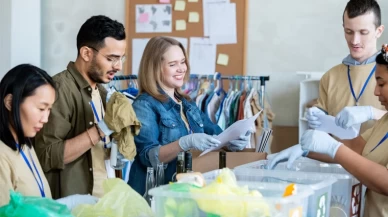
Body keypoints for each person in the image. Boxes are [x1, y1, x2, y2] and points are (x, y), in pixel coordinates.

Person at [127, 36, 253, 195]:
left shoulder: (187, 104)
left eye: (182, 61)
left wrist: (232, 142)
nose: (181, 68)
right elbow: (148, 157)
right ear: (154, 68)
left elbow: (216, 134)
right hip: (153, 195)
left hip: (183, 191)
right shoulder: (144, 105)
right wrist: (185, 142)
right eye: (173, 64)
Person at [268, 0, 385, 169]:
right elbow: (325, 136)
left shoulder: (385, 72)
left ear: (378, 31)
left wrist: (371, 113)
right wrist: (317, 121)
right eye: (349, 31)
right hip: (337, 168)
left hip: (379, 172)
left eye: (363, 32)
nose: (355, 40)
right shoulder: (330, 77)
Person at [34, 15, 128, 199]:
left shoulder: (102, 92)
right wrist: (100, 131)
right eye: (112, 58)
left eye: (122, 58)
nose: (119, 67)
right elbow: (46, 155)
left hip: (104, 201)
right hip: (74, 206)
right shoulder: (60, 90)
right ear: (86, 53)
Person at [294, 45, 388, 217]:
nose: (376, 91)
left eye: (381, 84)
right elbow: (355, 147)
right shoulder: (385, 121)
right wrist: (305, 149)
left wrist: (334, 149)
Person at [0, 64, 97, 209]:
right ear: (9, 102)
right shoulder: (2, 156)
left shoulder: (25, 144)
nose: (45, 119)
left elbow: (34, 203)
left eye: (49, 109)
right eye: (40, 108)